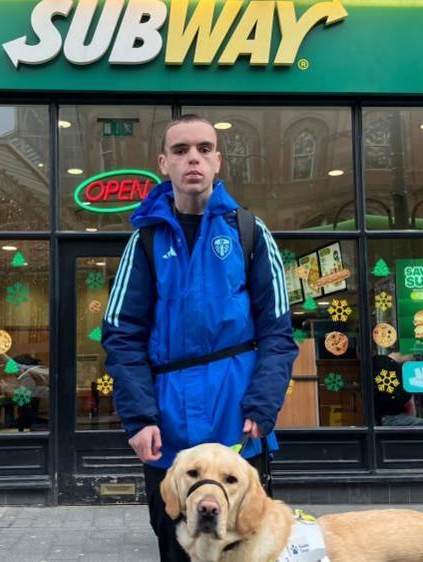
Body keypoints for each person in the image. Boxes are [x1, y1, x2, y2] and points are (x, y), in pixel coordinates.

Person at [102, 115, 299, 561]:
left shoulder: (249, 232)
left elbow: (278, 333)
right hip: (166, 425)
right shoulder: (146, 241)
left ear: (217, 161)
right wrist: (138, 418)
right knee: (175, 547)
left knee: (247, 547)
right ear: (164, 164)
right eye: (181, 150)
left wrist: (263, 406)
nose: (194, 157)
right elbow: (122, 337)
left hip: (238, 420)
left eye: (204, 149)